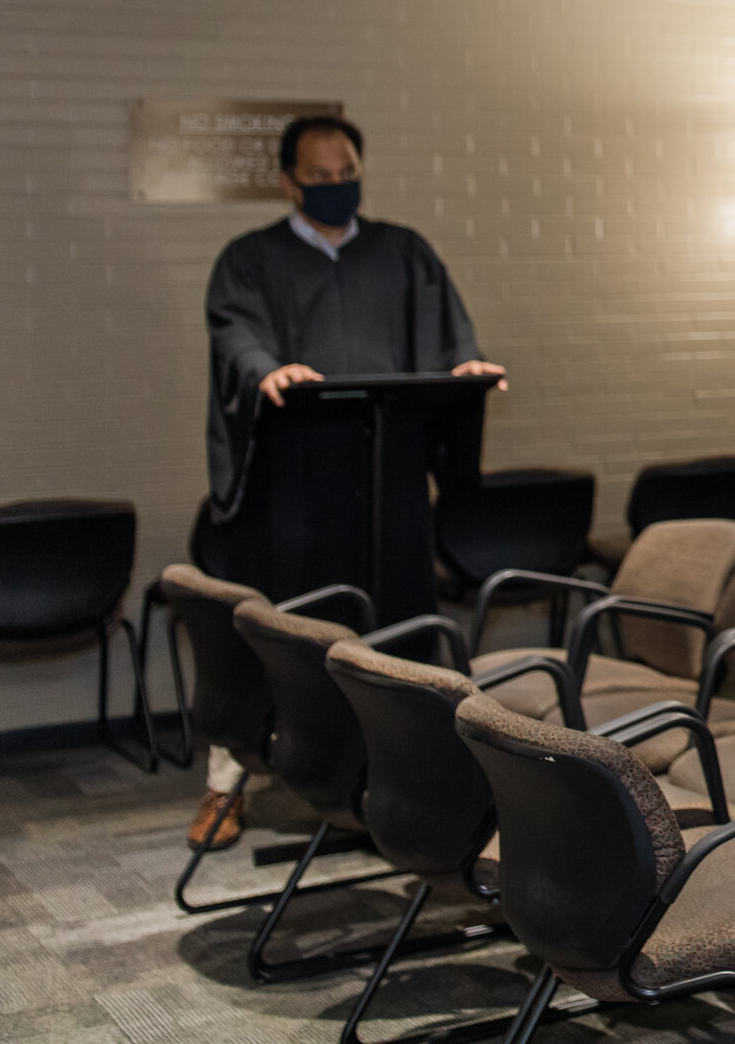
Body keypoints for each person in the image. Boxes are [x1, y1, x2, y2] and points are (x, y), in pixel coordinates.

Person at [188, 114, 505, 850]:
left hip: (386, 474)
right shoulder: (249, 259)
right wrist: (268, 369)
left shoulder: (403, 252)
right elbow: (236, 336)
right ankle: (228, 780)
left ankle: (408, 782)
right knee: (281, 628)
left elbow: (452, 334)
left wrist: (462, 369)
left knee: (397, 623)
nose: (336, 187)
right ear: (287, 180)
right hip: (294, 479)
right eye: (320, 177)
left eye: (346, 174)